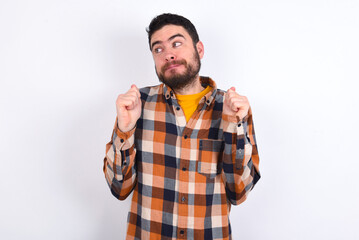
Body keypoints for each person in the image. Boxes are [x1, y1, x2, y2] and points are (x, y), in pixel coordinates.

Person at [103, 13, 260, 240]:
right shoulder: (138, 104)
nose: (168, 54)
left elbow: (239, 192)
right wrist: (125, 130)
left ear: (200, 49)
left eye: (177, 43)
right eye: (158, 49)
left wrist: (232, 125)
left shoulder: (233, 108)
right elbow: (120, 189)